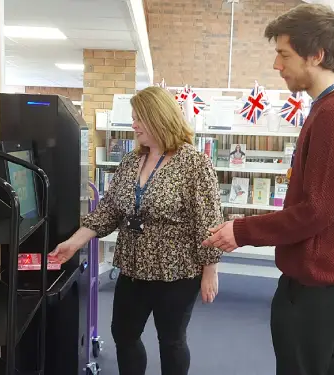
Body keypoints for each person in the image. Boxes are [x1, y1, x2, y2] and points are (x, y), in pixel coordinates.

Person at [202, 4, 334, 375]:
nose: (277, 65)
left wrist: (242, 231)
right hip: (323, 277)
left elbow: (318, 211)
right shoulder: (331, 109)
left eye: (284, 54)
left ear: (317, 55)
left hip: (314, 283)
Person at [51, 86, 223, 375]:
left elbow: (208, 221)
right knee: (124, 334)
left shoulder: (194, 163)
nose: (133, 125)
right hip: (132, 268)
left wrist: (210, 271)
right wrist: (73, 242)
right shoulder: (131, 161)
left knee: (171, 340)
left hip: (177, 272)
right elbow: (109, 210)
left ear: (159, 118)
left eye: (139, 118)